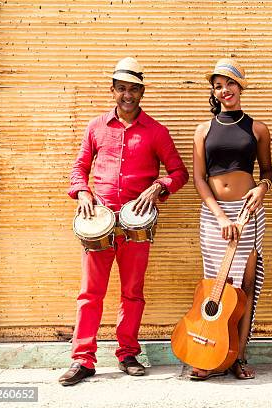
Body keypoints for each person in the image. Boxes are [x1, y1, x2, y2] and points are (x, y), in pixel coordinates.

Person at [59, 57, 189, 386]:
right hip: (98, 221)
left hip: (136, 226)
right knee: (90, 292)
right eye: (121, 88)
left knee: (133, 293)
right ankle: (82, 359)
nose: (127, 95)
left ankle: (128, 352)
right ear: (113, 90)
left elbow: (179, 172)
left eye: (133, 89)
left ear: (142, 92)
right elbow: (79, 168)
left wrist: (160, 186)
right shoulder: (95, 127)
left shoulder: (156, 131)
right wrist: (83, 193)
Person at [191, 58, 272, 380]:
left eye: (230, 83)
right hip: (215, 217)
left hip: (249, 213)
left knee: (245, 285)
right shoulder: (202, 130)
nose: (225, 90)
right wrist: (219, 214)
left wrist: (262, 190)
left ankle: (238, 355)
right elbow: (199, 178)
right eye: (218, 86)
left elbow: (267, 172)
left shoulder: (258, 129)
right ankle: (209, 353)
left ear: (241, 87)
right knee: (216, 286)